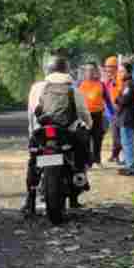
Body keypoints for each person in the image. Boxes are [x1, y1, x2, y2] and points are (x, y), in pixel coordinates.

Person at [23, 57, 92, 216]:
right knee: (79, 153)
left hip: (41, 133)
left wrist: (32, 133)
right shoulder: (73, 89)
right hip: (65, 133)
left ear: (48, 70)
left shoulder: (37, 88)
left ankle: (30, 199)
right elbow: (83, 113)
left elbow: (31, 113)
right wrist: (88, 125)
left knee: (33, 161)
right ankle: (78, 184)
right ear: (67, 71)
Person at [77, 63, 112, 168]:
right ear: (85, 73)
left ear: (96, 72)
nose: (90, 72)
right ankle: (88, 162)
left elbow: (108, 100)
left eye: (92, 70)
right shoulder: (80, 84)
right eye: (88, 70)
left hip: (98, 115)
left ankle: (97, 160)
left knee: (97, 138)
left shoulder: (101, 84)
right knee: (85, 139)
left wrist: (113, 113)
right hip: (84, 115)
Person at [114, 62, 134, 176]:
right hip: (126, 116)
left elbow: (124, 100)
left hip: (128, 117)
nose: (120, 73)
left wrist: (117, 99)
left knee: (127, 142)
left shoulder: (129, 84)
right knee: (126, 142)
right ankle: (128, 164)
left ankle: (131, 167)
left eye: (122, 71)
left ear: (128, 72)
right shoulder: (126, 83)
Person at [104, 56, 123, 164]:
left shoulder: (119, 78)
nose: (108, 69)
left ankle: (116, 155)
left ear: (115, 67)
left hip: (118, 110)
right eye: (107, 67)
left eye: (110, 67)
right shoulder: (108, 79)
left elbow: (119, 92)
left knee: (117, 134)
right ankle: (115, 154)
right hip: (110, 111)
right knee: (115, 134)